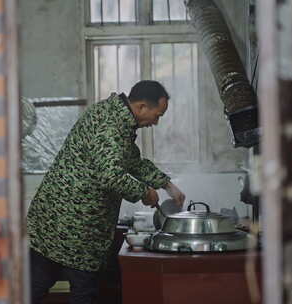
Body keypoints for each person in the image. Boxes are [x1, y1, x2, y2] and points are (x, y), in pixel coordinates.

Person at [27, 80, 186, 304]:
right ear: (141, 107)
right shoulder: (110, 125)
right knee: (82, 292)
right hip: (73, 225)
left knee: (37, 285)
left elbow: (133, 161)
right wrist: (144, 192)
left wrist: (167, 185)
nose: (157, 122)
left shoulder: (118, 119)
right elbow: (110, 175)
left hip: (62, 222)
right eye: (157, 115)